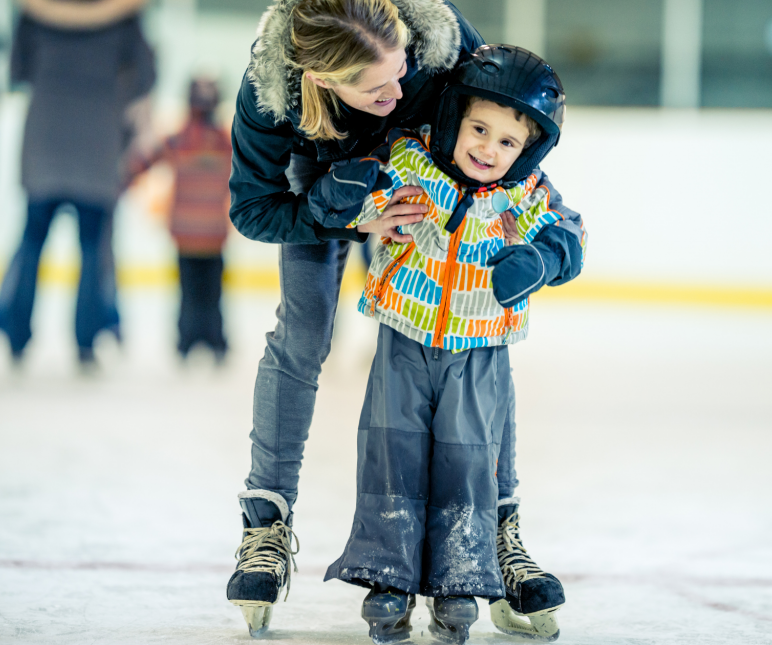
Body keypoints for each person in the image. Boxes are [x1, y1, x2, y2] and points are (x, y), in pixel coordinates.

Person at [223, 1, 585, 639]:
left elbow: (508, 125)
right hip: (323, 183)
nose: (396, 88)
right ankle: (266, 525)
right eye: (373, 86)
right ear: (324, 80)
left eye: (402, 70)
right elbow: (254, 209)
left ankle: (497, 532)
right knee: (303, 338)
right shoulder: (271, 91)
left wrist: (542, 242)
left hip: (424, 161)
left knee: (478, 340)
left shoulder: (440, 40)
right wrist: (343, 217)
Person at [321, 45, 584, 644]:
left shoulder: (526, 197)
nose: (488, 149)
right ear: (454, 121)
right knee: (393, 457)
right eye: (479, 129)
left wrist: (542, 257)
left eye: (507, 142)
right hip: (402, 340)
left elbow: (572, 234)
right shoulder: (413, 163)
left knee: (467, 466)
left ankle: (459, 580)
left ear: (528, 150)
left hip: (479, 353)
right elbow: (362, 195)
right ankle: (387, 578)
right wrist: (350, 190)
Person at [0, 0, 155, 368]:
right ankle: (86, 340)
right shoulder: (125, 15)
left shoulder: (33, 13)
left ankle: (16, 336)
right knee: (92, 246)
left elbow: (19, 70)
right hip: (98, 140)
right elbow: (144, 76)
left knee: (32, 240)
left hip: (45, 137)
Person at [127, 78, 233, 362]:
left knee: (188, 291)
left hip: (185, 232)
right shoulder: (225, 141)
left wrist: (124, 178)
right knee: (213, 292)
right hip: (213, 232)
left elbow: (142, 162)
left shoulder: (179, 139)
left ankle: (186, 342)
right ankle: (215, 342)